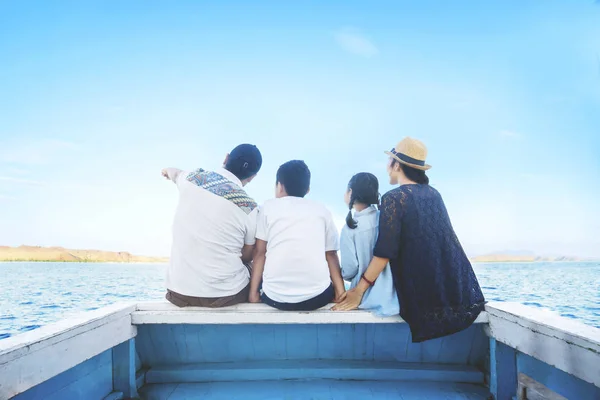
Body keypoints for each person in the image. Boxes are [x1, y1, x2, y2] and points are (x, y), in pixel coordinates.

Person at [334, 137, 485, 343]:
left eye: (390, 161)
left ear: (397, 164)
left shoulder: (394, 198)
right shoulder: (434, 194)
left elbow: (385, 251)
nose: (387, 167)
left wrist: (358, 291)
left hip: (417, 292)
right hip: (452, 290)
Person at [161, 144, 262, 308]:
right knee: (259, 258)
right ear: (252, 177)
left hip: (177, 292)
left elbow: (175, 172)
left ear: (226, 158)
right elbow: (248, 254)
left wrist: (166, 171)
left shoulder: (192, 178)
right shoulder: (250, 207)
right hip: (225, 296)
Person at [249, 160, 346, 311]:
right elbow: (331, 254)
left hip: (275, 297)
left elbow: (259, 253)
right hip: (317, 298)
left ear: (279, 186)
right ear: (307, 189)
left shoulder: (267, 208)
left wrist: (253, 293)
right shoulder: (322, 210)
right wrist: (340, 292)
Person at [340, 173, 400, 317]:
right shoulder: (385, 218)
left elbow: (349, 270)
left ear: (351, 192)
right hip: (393, 293)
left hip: (364, 295)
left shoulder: (350, 228)